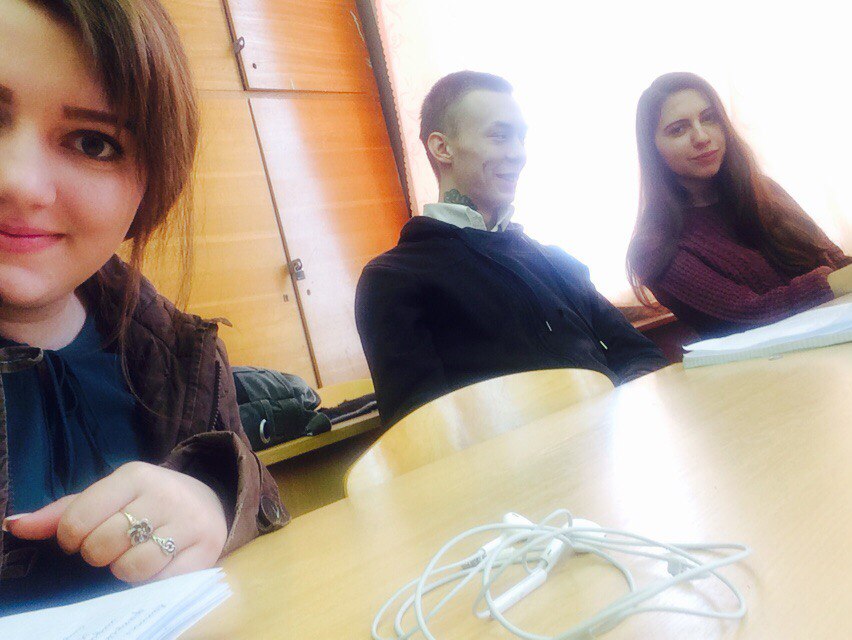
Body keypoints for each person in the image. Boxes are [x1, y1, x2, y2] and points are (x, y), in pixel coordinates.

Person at [0, 0, 286, 615]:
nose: (19, 182)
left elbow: (262, 512)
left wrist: (213, 499)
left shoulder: (184, 356)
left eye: (92, 142)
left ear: (147, 189)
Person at [355, 71, 668, 427]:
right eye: (500, 136)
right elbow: (421, 431)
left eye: (521, 138)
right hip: (518, 460)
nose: (518, 154)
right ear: (442, 148)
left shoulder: (555, 261)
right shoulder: (394, 279)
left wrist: (615, 413)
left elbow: (641, 354)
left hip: (612, 443)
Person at [626, 72, 852, 338]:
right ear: (653, 149)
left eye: (709, 118)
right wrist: (834, 281)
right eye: (678, 129)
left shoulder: (764, 191)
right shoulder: (653, 247)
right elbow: (751, 313)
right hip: (770, 361)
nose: (702, 137)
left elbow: (835, 260)